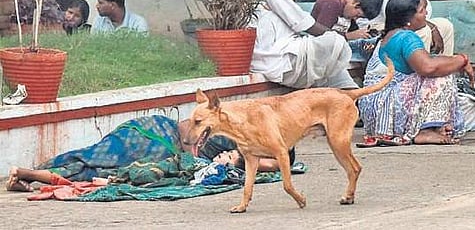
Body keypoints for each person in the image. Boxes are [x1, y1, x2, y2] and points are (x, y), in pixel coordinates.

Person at [5, 115, 293, 192]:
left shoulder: (246, 142)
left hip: (155, 131)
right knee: (98, 164)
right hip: (160, 138)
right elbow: (189, 131)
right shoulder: (238, 130)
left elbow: (278, 163)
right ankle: (31, 173)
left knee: (94, 159)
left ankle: (30, 172)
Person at [357, 0, 475, 147]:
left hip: (374, 114)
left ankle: (433, 127)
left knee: (441, 67)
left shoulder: (391, 35)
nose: (426, 13)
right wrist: (462, 60)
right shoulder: (406, 37)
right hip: (386, 108)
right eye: (422, 11)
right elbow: (428, 68)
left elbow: (429, 61)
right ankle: (424, 131)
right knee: (442, 76)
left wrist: (457, 60)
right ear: (408, 20)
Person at [311, 0, 383, 61]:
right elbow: (321, 37)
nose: (355, 18)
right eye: (357, 15)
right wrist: (348, 36)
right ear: (355, 2)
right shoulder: (332, 4)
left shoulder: (346, 6)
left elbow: (353, 30)